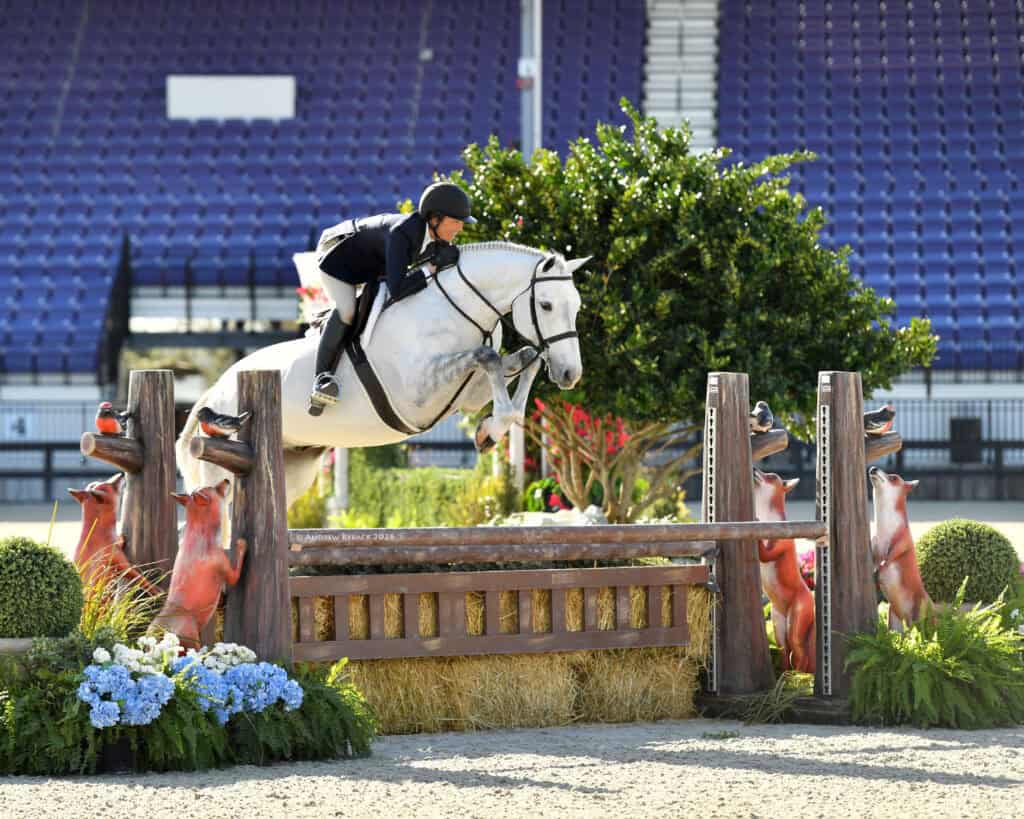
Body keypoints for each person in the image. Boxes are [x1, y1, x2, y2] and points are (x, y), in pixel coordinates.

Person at [308, 181, 476, 416]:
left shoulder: (435, 236)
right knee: (347, 310)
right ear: (435, 219)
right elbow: (397, 290)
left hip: (371, 266)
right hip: (338, 260)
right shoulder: (402, 234)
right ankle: (321, 379)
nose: (459, 228)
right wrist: (430, 269)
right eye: (456, 222)